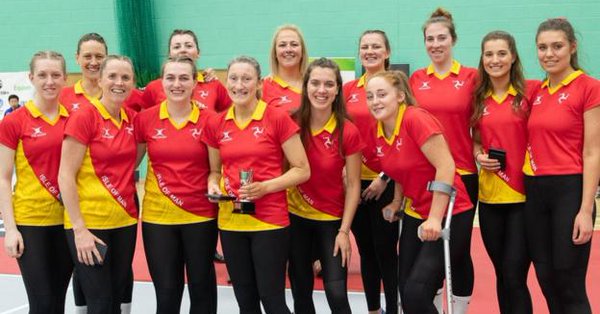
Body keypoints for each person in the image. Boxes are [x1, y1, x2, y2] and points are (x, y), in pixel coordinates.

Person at [203, 56, 310, 314]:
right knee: (245, 299)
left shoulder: (276, 118)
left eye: (247, 78)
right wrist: (214, 186)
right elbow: (214, 171)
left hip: (269, 221)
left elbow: (302, 170)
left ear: (259, 83)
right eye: (234, 79)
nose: (240, 85)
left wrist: (266, 187)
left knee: (272, 299)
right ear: (226, 82)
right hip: (231, 222)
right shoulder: (216, 123)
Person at [364, 70, 474, 314]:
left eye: (382, 94)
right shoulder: (379, 130)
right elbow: (403, 166)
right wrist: (396, 201)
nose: (375, 101)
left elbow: (445, 165)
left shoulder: (415, 118)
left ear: (401, 96)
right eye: (370, 96)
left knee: (416, 292)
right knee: (406, 291)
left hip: (449, 211)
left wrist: (435, 218)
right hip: (415, 210)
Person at [525, 18, 600, 314]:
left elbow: (593, 151)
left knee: (568, 281)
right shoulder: (537, 91)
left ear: (572, 46)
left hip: (570, 190)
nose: (549, 54)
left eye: (557, 46)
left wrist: (585, 210)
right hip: (535, 191)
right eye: (542, 48)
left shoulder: (589, 87)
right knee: (546, 278)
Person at [134, 56, 218, 314]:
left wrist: (215, 183)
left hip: (200, 216)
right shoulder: (145, 120)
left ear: (195, 83)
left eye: (184, 78)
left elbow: (216, 170)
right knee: (167, 292)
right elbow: (129, 164)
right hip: (158, 219)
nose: (177, 84)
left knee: (202, 289)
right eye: (170, 78)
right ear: (162, 82)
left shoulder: (210, 120)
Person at [59, 33, 136, 314]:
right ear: (100, 80)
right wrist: (79, 229)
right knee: (100, 303)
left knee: (115, 297)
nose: (119, 83)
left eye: (125, 78)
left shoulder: (131, 120)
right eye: (113, 76)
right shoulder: (84, 117)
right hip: (91, 224)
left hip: (124, 222)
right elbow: (65, 174)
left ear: (132, 83)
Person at [409, 8, 477, 309]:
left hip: (463, 174)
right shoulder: (416, 79)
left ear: (453, 40)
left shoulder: (471, 77)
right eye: (429, 39)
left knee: (459, 251)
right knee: (432, 251)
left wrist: (479, 152)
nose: (435, 44)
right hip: (428, 178)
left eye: (441, 38)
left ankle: (459, 308)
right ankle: (434, 304)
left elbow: (482, 125)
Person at [287, 58, 362, 314]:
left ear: (338, 89)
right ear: (306, 86)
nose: (322, 90)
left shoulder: (348, 131)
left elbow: (353, 185)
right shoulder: (291, 123)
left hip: (330, 221)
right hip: (295, 218)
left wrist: (344, 231)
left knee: (336, 293)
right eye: (315, 83)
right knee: (301, 292)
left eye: (329, 84)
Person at [0, 51, 72, 314]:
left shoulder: (74, 120)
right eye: (42, 75)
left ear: (65, 78)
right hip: (31, 222)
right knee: (41, 303)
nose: (49, 81)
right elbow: (3, 178)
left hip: (67, 223)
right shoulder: (14, 121)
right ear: (31, 77)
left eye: (55, 75)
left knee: (57, 302)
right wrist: (11, 229)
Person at [472, 30, 536, 314]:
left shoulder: (530, 93)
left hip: (523, 199)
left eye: (501, 53)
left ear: (513, 57)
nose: (495, 59)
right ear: (482, 59)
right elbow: (474, 139)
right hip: (489, 199)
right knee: (502, 274)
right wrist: (478, 156)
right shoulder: (478, 98)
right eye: (489, 54)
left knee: (514, 275)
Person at [343, 29, 398, 314]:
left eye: (376, 46)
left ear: (387, 52)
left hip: (386, 181)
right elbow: (342, 132)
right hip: (355, 182)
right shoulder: (349, 91)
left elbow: (403, 138)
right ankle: (373, 309)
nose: (370, 51)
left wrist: (385, 176)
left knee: (386, 250)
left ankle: (392, 308)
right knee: (366, 251)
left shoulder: (396, 87)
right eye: (364, 47)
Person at [141, 29, 231, 113]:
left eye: (188, 46)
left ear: (198, 52)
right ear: (169, 53)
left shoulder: (214, 84)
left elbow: (226, 118)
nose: (183, 50)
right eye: (177, 47)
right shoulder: (153, 88)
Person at [262, 24, 308, 114]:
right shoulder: (263, 87)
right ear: (275, 52)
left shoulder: (314, 84)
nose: (288, 49)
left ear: (302, 51)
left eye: (294, 44)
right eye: (282, 45)